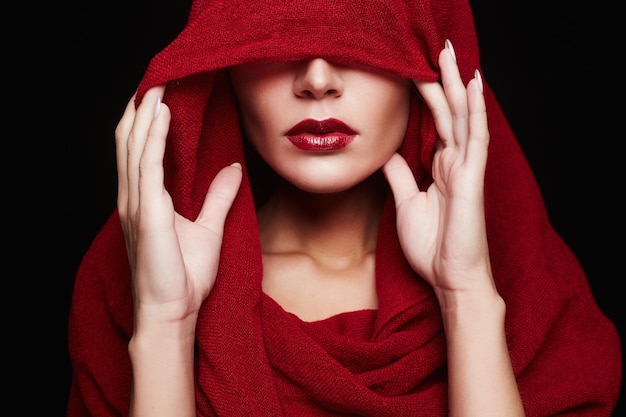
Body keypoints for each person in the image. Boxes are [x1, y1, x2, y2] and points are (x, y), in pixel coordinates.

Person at [66, 0, 622, 416]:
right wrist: (167, 324)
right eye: (277, 34)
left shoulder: (535, 296)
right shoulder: (133, 290)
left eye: (360, 34)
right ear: (226, 65)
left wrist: (467, 294)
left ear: (426, 64)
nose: (317, 80)